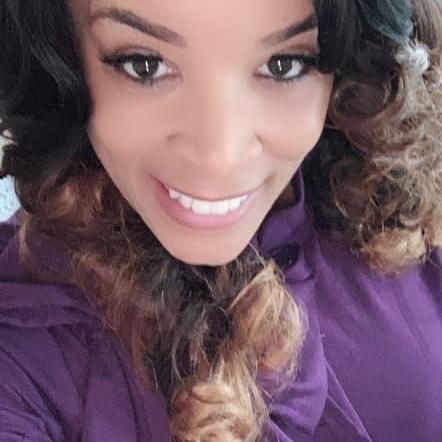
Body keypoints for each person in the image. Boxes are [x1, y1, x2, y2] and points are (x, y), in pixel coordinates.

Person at [0, 0, 440, 440]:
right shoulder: (27, 353)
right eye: (145, 65)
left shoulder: (397, 192)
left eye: (283, 65)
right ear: (63, 57)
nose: (219, 156)